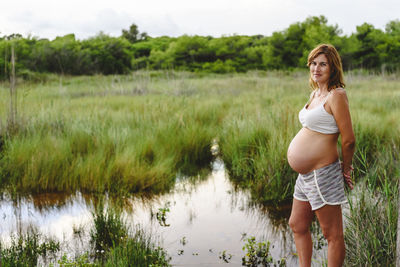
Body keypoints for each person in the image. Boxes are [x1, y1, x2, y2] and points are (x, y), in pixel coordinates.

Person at [287, 44, 355, 267]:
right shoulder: (316, 93)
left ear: (332, 67)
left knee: (332, 234)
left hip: (322, 173)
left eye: (322, 64)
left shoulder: (337, 95)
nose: (316, 68)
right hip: (305, 176)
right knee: (297, 224)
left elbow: (349, 139)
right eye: (313, 63)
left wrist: (346, 168)